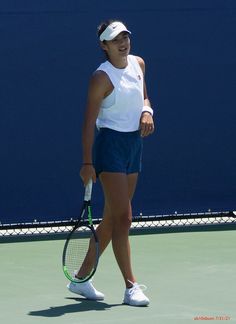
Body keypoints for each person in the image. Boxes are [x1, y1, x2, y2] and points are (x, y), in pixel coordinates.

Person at [67, 19, 154, 306]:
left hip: (133, 145)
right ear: (104, 45)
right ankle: (131, 286)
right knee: (125, 218)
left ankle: (80, 279)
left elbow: (143, 96)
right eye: (116, 39)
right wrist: (87, 163)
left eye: (126, 36)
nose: (123, 42)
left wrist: (146, 111)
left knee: (111, 220)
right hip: (110, 148)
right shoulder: (101, 78)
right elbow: (88, 123)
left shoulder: (139, 64)